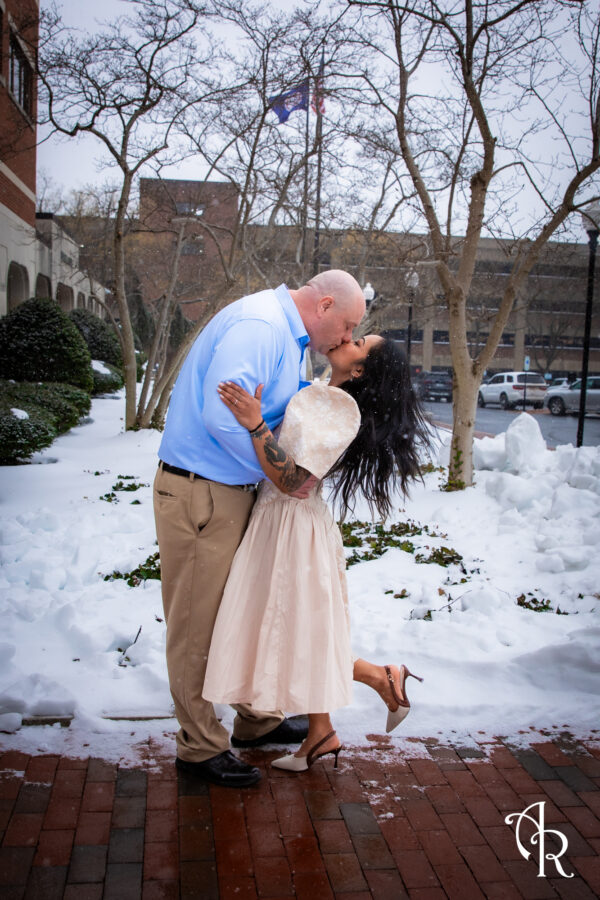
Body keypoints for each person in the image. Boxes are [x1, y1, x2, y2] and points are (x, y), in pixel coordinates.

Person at [153, 271, 366, 787]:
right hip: (203, 490)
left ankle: (257, 719)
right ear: (325, 304)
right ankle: (200, 747)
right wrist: (276, 474)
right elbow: (222, 416)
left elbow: (273, 412)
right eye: (348, 325)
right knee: (197, 624)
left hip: (231, 490)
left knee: (241, 609)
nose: (346, 336)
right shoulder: (261, 327)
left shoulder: (290, 338)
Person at [202, 336, 431, 771]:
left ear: (359, 369)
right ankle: (329, 724)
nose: (347, 338)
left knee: (293, 629)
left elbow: (293, 480)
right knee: (296, 628)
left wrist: (255, 423)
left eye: (358, 341)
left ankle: (372, 684)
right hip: (283, 521)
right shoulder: (327, 391)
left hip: (292, 524)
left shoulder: (340, 407)